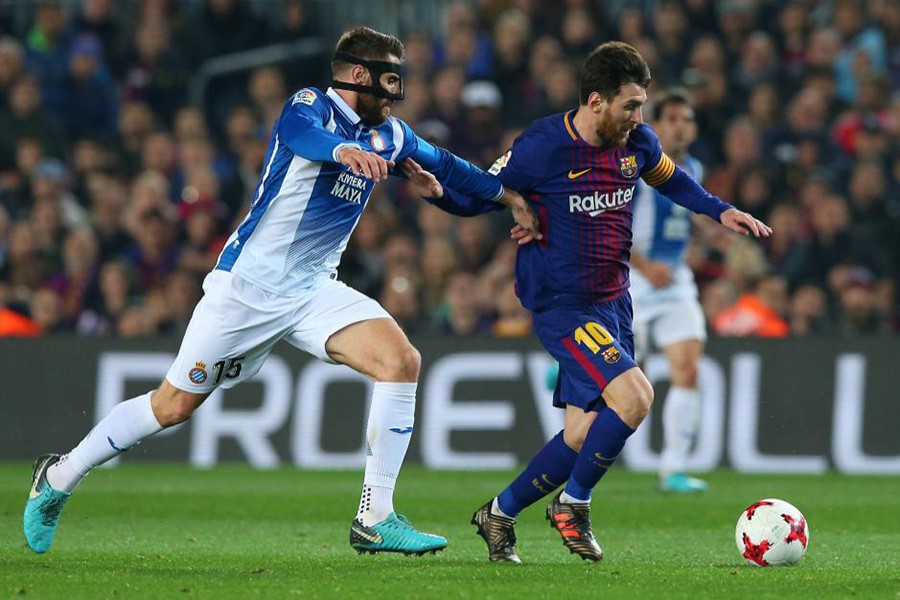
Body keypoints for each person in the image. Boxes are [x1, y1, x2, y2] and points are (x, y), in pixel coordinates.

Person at [23, 26, 538, 557]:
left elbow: (450, 166)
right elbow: (302, 137)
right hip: (246, 288)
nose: (396, 91)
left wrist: (507, 197)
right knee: (172, 406)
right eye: (388, 78)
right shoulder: (310, 105)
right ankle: (59, 476)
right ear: (358, 75)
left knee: (401, 360)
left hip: (314, 291)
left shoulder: (392, 134)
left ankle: (375, 517)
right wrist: (341, 149)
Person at [431, 42, 770, 563]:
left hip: (615, 301)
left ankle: (498, 512)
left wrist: (719, 211)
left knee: (581, 434)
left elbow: (671, 177)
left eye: (642, 105)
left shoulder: (636, 142)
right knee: (635, 397)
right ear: (595, 102)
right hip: (563, 305)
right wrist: (437, 192)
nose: (640, 116)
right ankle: (574, 504)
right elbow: (483, 194)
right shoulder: (542, 146)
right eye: (630, 106)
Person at [629, 88, 709, 493]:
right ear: (656, 126)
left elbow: (683, 221)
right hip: (633, 280)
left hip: (674, 281)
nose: (681, 126)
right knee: (625, 372)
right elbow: (612, 226)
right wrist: (645, 266)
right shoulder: (637, 168)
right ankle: (569, 366)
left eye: (688, 119)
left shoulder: (694, 167)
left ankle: (673, 468)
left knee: (688, 368)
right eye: (673, 118)